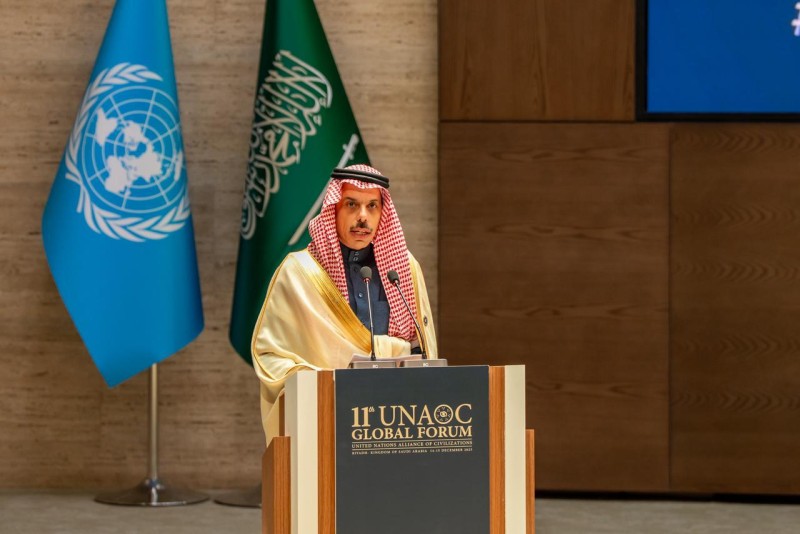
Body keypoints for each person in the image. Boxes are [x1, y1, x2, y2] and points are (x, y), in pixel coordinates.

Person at [251, 164, 438, 441]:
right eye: (352, 204)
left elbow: (422, 349)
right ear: (334, 209)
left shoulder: (404, 270)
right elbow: (270, 355)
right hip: (323, 421)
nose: (363, 217)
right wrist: (319, 383)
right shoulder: (299, 273)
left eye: (372, 206)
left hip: (396, 422)